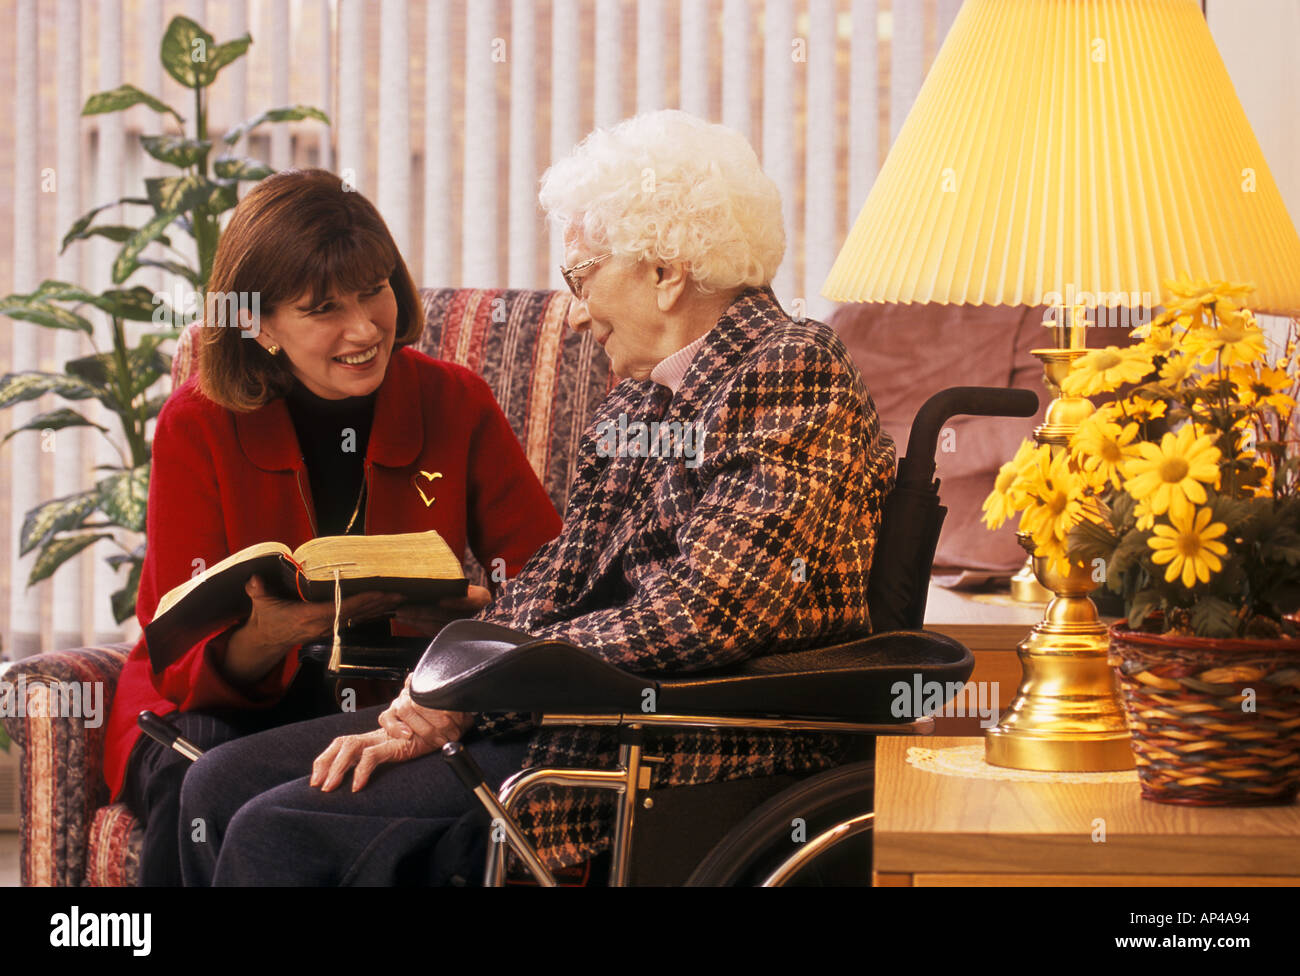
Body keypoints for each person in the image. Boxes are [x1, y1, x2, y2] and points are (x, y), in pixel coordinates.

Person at [178, 111, 897, 885]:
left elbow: (709, 610)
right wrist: (435, 693)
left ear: (665, 272)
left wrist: (478, 692)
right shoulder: (642, 402)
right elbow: (559, 575)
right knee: (216, 785)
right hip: (578, 719)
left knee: (275, 830)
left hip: (685, 744)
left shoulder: (788, 366)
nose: (579, 310)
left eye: (581, 279)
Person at [103, 169, 563, 886]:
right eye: (322, 308)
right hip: (213, 695)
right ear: (257, 324)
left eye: (374, 289)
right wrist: (276, 632)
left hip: (389, 688)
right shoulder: (197, 422)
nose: (364, 328)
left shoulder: (454, 401)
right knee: (191, 767)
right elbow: (180, 656)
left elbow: (553, 584)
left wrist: (463, 611)